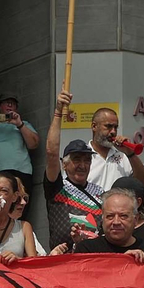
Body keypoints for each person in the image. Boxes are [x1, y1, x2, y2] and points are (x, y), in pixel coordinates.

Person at [41, 90, 106, 251]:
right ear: (64, 164)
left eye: (87, 160)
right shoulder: (57, 187)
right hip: (63, 259)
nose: (82, 165)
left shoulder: (100, 192)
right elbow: (51, 152)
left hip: (94, 258)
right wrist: (58, 113)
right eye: (76, 159)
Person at [84, 102, 144, 192]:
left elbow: (143, 182)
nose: (113, 131)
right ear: (94, 126)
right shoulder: (82, 155)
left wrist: (130, 154)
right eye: (108, 126)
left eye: (115, 127)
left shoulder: (124, 156)